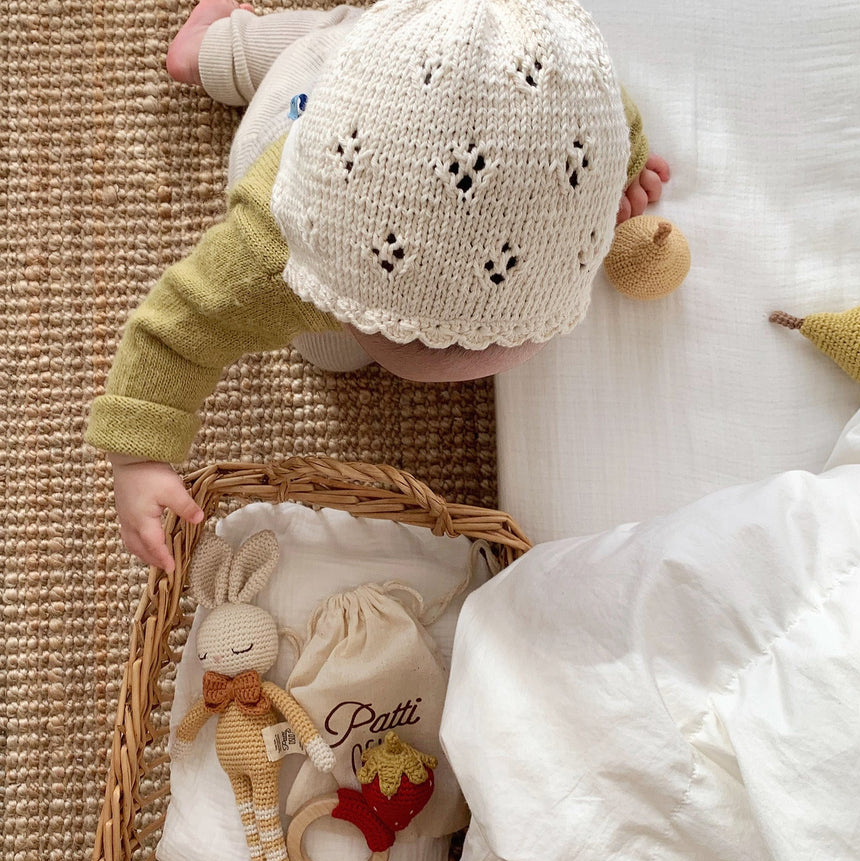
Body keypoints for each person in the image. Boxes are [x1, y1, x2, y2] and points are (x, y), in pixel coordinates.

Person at [86, 0, 671, 572]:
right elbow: (176, 328)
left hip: (400, 65)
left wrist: (623, 165)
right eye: (388, 332)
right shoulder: (273, 253)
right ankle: (211, 48)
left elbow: (612, 115)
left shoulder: (572, 90)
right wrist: (138, 458)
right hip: (313, 85)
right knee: (309, 45)